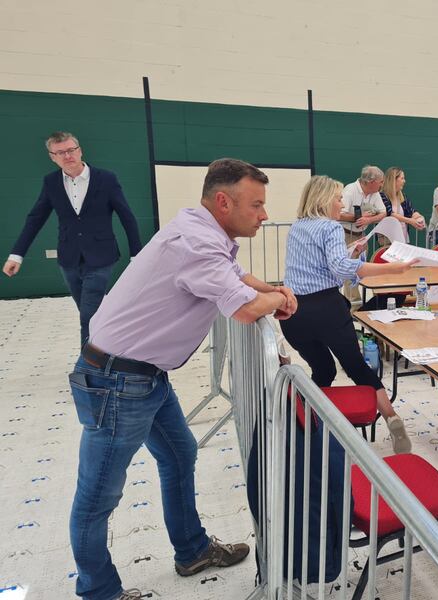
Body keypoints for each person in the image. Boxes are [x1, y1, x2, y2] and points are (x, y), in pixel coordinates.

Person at [69, 158, 298, 600]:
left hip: (143, 375)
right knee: (98, 496)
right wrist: (273, 300)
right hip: (118, 380)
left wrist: (274, 291)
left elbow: (237, 278)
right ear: (223, 201)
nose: (264, 215)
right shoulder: (197, 242)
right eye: (257, 205)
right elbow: (244, 307)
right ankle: (98, 592)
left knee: (178, 456)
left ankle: (191, 550)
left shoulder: (203, 230)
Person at [280, 175, 417, 454]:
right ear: (324, 199)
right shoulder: (330, 227)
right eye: (338, 198)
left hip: (294, 313)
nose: (342, 203)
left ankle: (305, 421)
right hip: (327, 310)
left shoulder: (297, 227)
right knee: (357, 368)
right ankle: (392, 418)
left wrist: (349, 251)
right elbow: (342, 270)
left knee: (323, 369)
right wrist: (395, 268)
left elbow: (321, 264)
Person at [3, 131, 142, 345]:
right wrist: (16, 255)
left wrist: (136, 256)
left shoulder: (106, 179)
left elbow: (127, 217)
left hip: (101, 256)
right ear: (52, 157)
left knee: (87, 316)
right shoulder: (51, 182)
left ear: (80, 151)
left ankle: (88, 366)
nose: (67, 156)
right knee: (89, 311)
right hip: (69, 259)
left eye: (71, 150)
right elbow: (35, 219)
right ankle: (110, 342)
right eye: (60, 153)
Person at [339, 165, 386, 302]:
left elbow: (383, 212)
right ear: (371, 182)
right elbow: (339, 214)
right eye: (381, 181)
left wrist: (369, 219)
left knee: (363, 269)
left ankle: (362, 301)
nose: (382, 184)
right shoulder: (350, 190)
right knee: (350, 271)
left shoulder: (375, 193)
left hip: (362, 235)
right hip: (347, 234)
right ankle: (353, 304)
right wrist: (357, 218)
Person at [380, 166, 426, 243]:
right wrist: (410, 221)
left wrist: (419, 218)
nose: (404, 181)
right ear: (394, 180)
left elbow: (412, 211)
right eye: (402, 178)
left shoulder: (402, 196)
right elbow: (390, 213)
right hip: (387, 241)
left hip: (403, 239)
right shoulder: (382, 196)